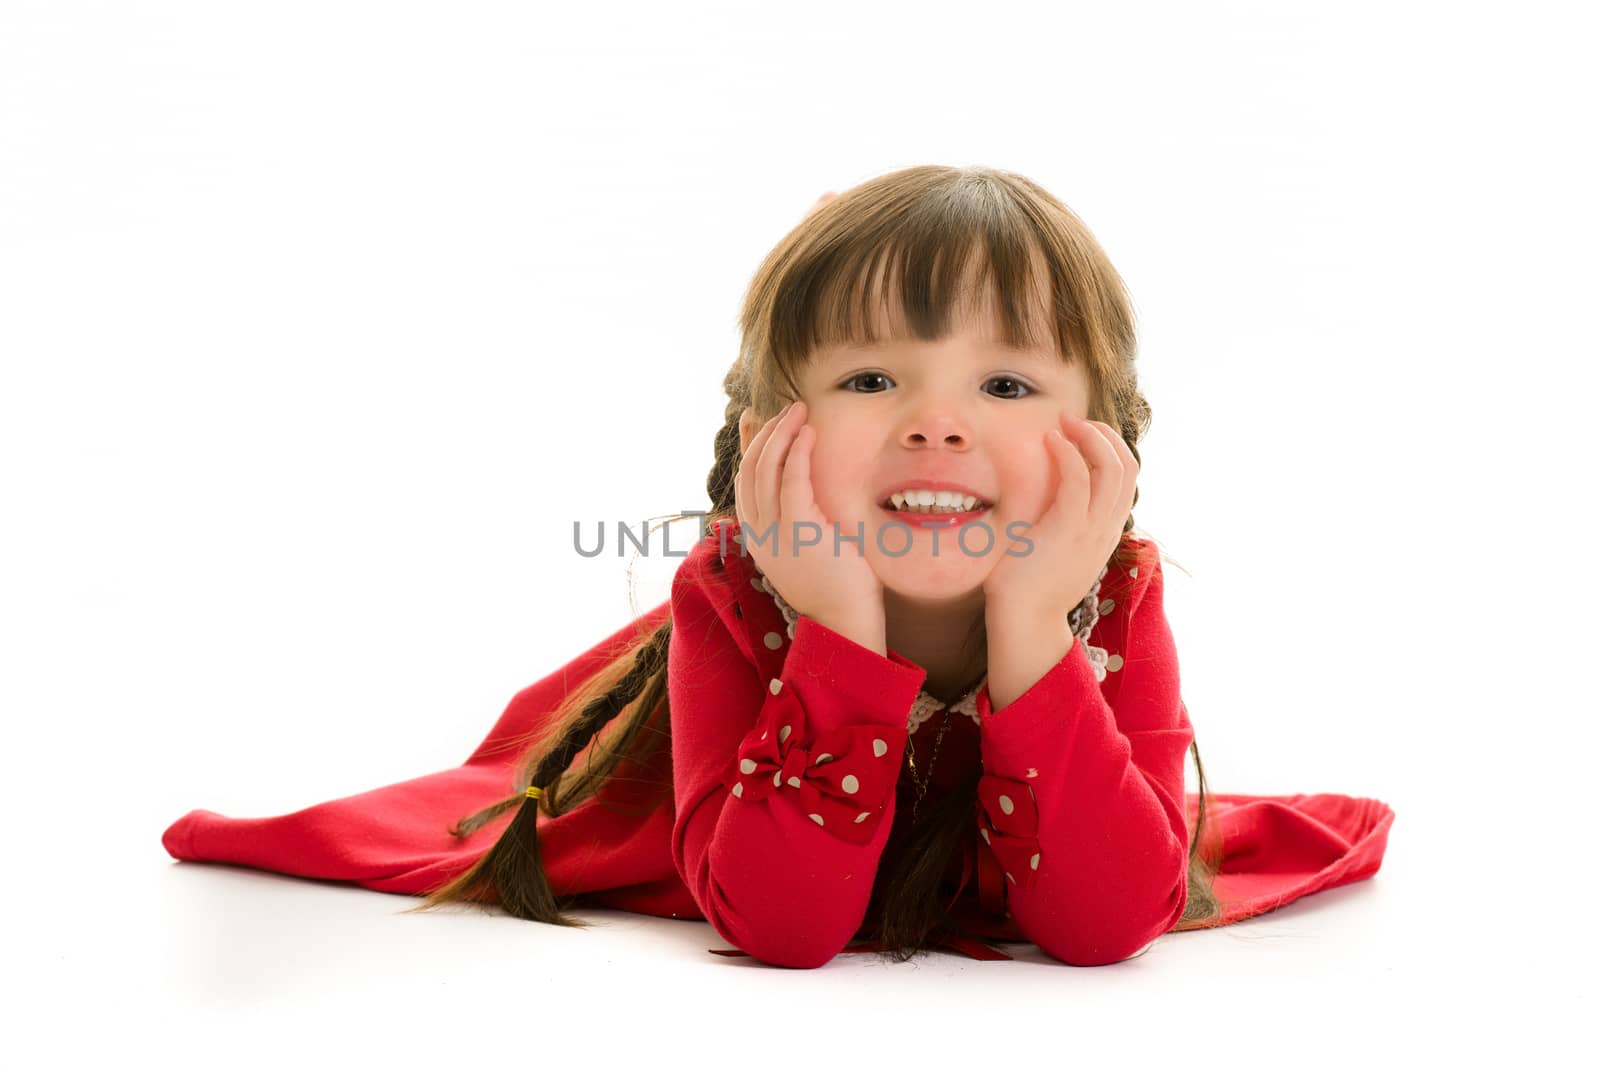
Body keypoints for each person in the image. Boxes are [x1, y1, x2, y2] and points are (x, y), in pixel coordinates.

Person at [161, 165, 1394, 968]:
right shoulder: (740, 586)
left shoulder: (1111, 589)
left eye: (1006, 384)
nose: (936, 423)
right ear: (768, 433)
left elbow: (1103, 923)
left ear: (1105, 444)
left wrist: (1033, 630)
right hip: (728, 775)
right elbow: (782, 927)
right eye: (869, 380)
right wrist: (841, 634)